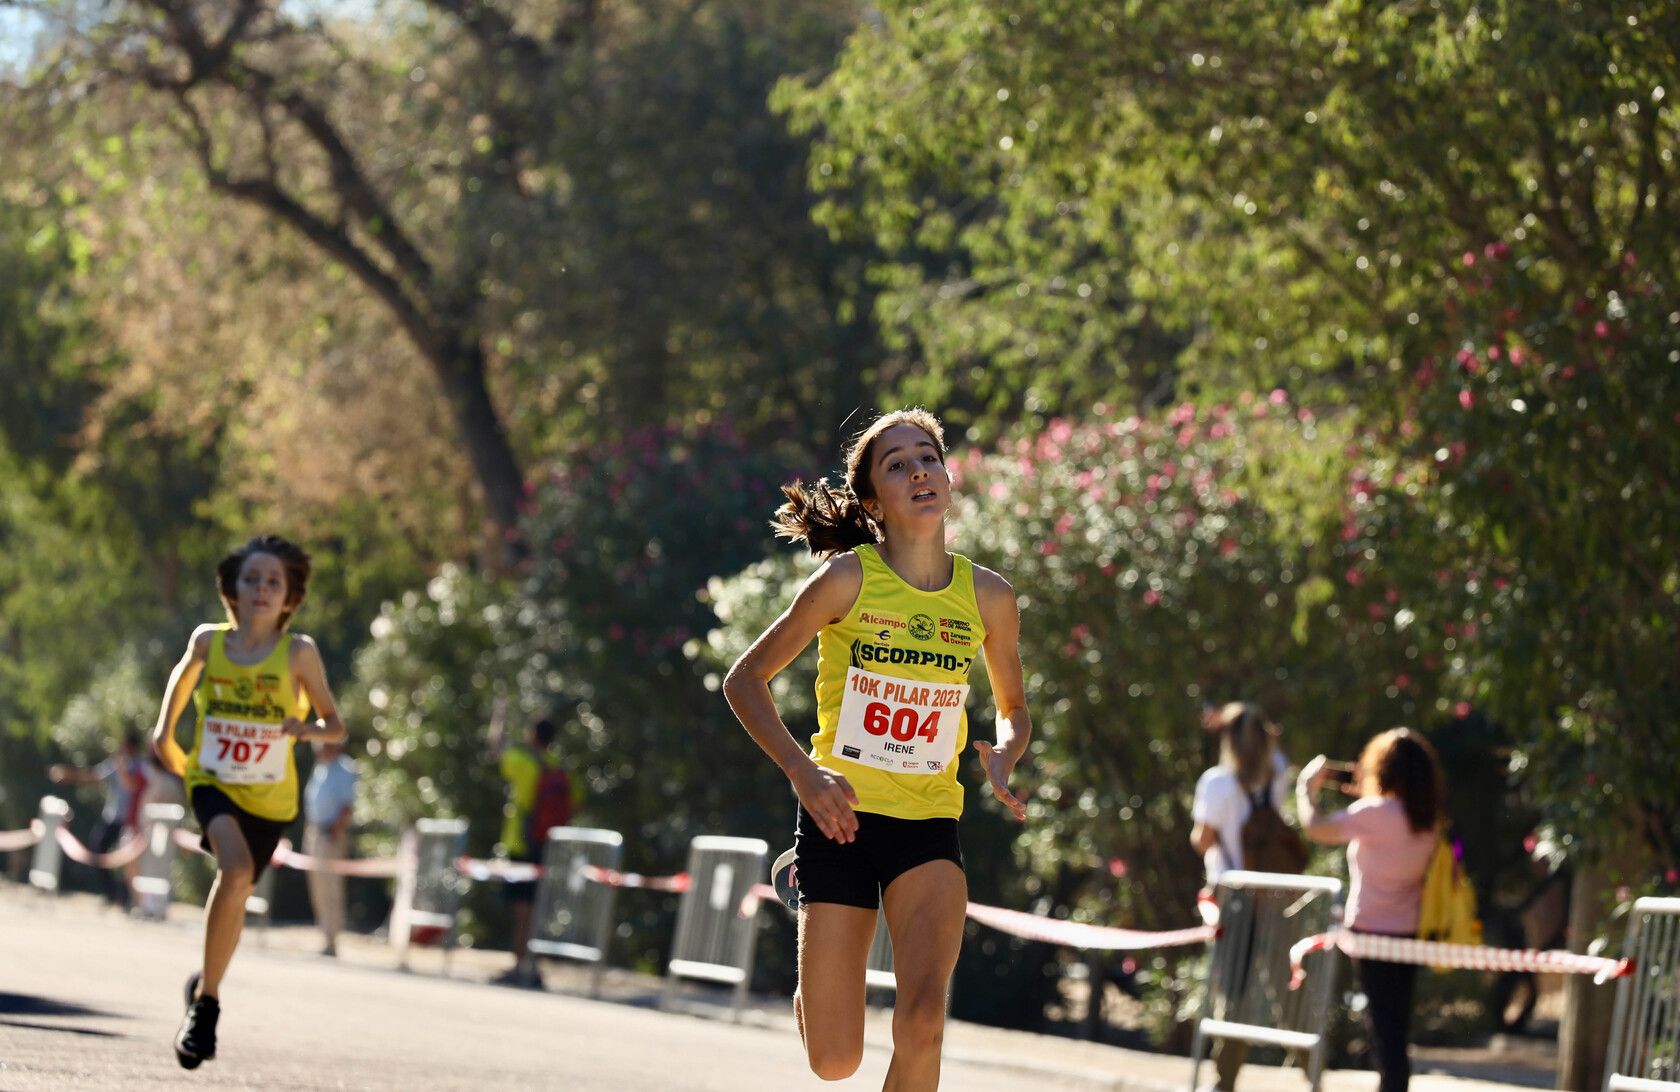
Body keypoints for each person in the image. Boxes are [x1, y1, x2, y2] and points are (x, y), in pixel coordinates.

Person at [723, 408, 1031, 1089]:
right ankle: (803, 896)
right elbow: (744, 680)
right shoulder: (847, 581)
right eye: (898, 464)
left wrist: (1005, 754)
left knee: (923, 1023)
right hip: (841, 821)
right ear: (872, 502)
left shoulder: (989, 597)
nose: (920, 470)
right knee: (836, 1062)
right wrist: (805, 777)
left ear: (947, 477)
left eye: (928, 457)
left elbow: (1013, 709)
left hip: (928, 827)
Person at [150, 534, 346, 1070]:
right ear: (232, 590)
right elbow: (181, 679)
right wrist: (165, 732)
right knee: (234, 872)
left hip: (270, 799)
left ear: (289, 599)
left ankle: (204, 988)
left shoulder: (299, 653)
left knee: (236, 888)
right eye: (252, 579)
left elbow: (336, 727)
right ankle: (207, 1010)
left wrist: (302, 729)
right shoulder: (210, 643)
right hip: (211, 778)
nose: (261, 588)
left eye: (273, 582)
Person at [1297, 728, 1443, 1092]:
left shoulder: (1373, 814)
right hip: (1409, 932)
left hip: (1370, 932)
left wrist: (1305, 789)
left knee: (1382, 1029)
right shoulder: (1427, 819)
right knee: (1395, 1025)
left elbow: (1316, 828)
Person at [1188, 702, 1289, 1092]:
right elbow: (1274, 748)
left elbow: (1203, 840)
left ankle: (1224, 1082)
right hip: (1277, 896)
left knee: (1231, 992)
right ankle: (1310, 1071)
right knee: (1287, 994)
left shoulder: (1218, 783)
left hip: (1234, 898)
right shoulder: (1277, 770)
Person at [488, 704, 572, 987]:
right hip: (547, 844)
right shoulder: (556, 766)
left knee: (522, 908)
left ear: (533, 735)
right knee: (536, 906)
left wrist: (499, 717)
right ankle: (530, 964)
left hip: (522, 843)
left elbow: (495, 749)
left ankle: (520, 964)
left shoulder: (524, 763)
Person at [47, 728, 147, 908]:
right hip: (113, 818)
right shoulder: (116, 765)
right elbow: (92, 776)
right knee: (98, 848)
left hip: (131, 821)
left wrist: (122, 768)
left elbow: (132, 785)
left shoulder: (140, 767)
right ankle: (111, 893)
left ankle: (124, 896)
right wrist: (67, 775)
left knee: (128, 859)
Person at [302, 737, 358, 957]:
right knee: (317, 888)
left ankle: (332, 940)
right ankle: (324, 936)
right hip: (315, 832)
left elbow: (346, 806)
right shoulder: (321, 768)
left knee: (330, 888)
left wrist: (335, 833)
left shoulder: (345, 769)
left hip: (330, 836)